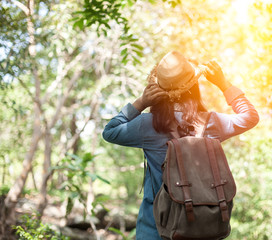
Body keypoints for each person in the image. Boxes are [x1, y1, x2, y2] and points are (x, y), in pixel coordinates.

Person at [102, 51, 259, 240]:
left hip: (155, 230)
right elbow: (250, 117)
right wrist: (223, 84)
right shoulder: (211, 123)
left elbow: (110, 131)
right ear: (193, 88)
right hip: (202, 226)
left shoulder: (148, 125)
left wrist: (141, 102)